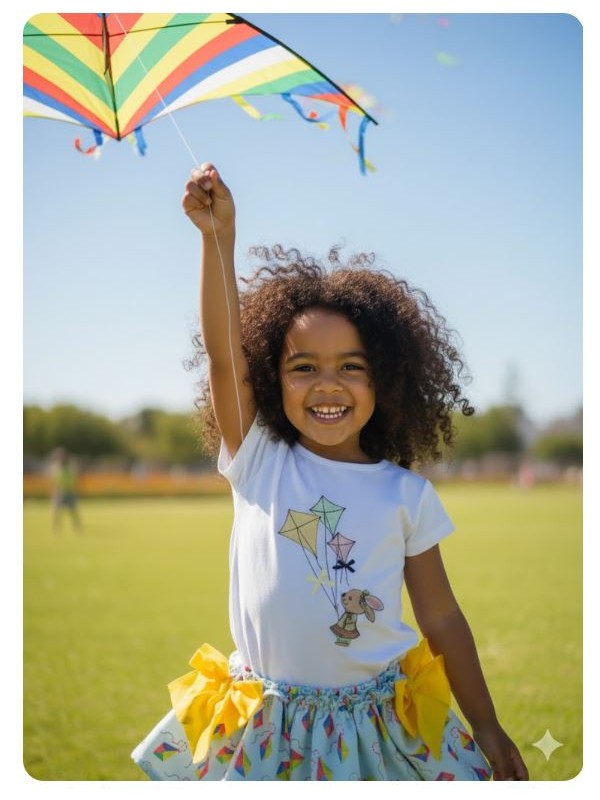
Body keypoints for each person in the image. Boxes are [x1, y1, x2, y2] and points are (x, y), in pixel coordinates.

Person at [131, 164, 528, 781]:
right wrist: (217, 240)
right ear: (272, 379)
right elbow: (220, 355)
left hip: (378, 727)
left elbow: (443, 618)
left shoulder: (407, 494)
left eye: (351, 366)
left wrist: (488, 724)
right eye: (303, 368)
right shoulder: (260, 458)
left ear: (386, 379)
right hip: (268, 725)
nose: (327, 385)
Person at [49, 447, 82, 534]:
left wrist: (74, 489)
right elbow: (54, 481)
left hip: (69, 492)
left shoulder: (70, 467)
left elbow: (74, 479)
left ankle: (77, 528)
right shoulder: (55, 468)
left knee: (73, 511)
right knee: (57, 511)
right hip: (59, 492)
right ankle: (56, 528)